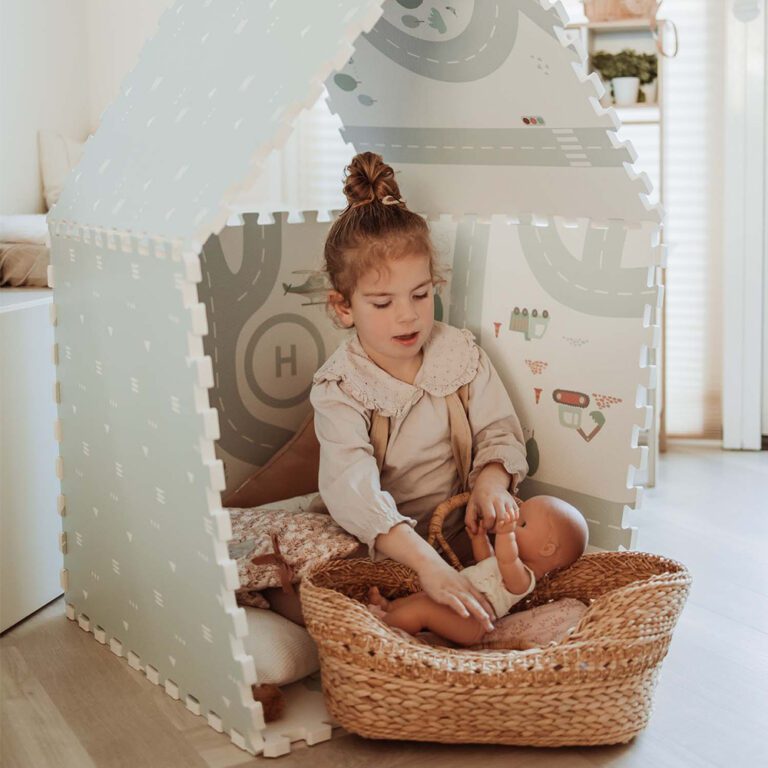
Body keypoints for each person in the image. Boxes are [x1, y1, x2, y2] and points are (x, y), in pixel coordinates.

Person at [309, 151, 578, 634]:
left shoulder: (459, 354)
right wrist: (426, 566)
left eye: (420, 294)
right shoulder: (341, 387)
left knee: (514, 579)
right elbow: (353, 490)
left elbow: (499, 430)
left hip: (455, 537)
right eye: (382, 303)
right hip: (381, 543)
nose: (408, 315)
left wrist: (491, 482)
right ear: (344, 307)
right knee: (320, 589)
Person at [367, 495, 588, 646]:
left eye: (522, 524)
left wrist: (505, 534)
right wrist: (479, 539)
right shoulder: (506, 563)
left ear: (547, 549)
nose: (513, 523)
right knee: (424, 597)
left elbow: (507, 559)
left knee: (423, 609)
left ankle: (385, 630)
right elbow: (487, 561)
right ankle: (389, 608)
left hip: (471, 623)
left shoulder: (524, 579)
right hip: (459, 604)